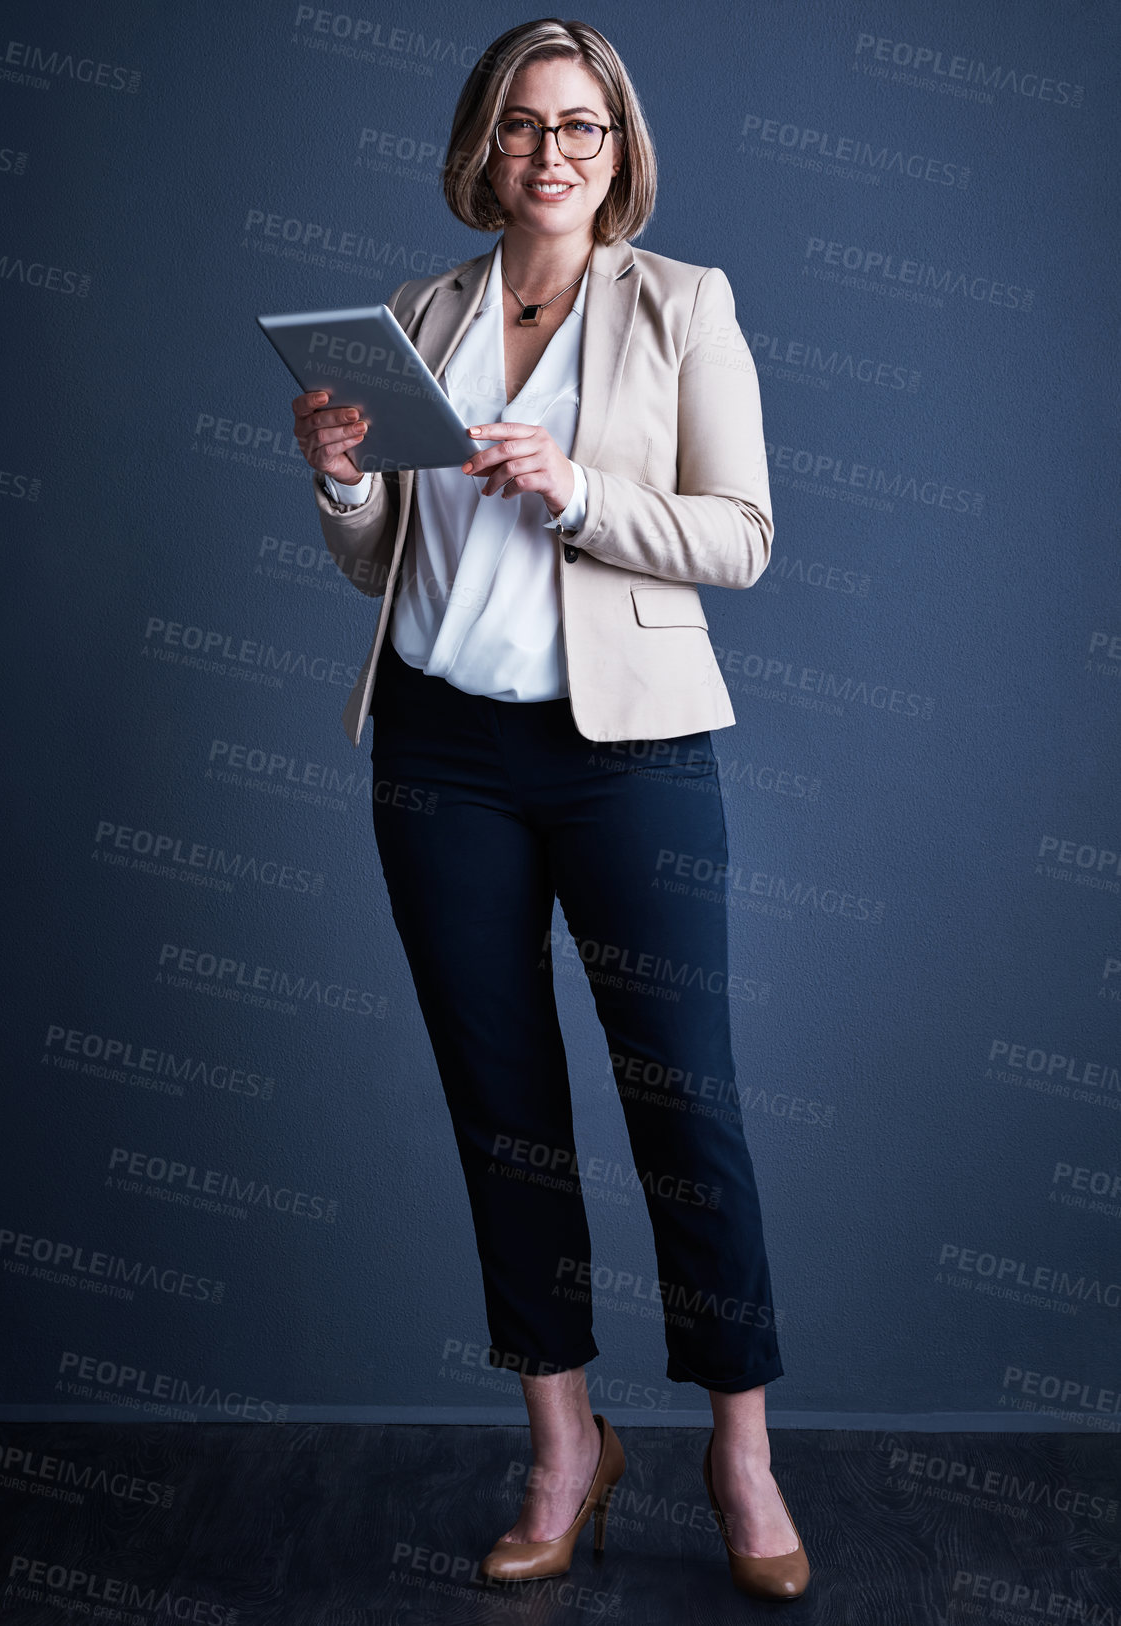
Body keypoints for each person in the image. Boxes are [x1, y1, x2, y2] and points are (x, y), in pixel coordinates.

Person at [292, 17, 809, 1603]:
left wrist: (579, 488)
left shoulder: (683, 306)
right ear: (484, 146)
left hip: (627, 756)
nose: (553, 155)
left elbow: (744, 535)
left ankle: (739, 1450)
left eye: (581, 127)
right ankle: (566, 1444)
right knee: (501, 1108)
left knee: (683, 1102)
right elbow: (391, 570)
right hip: (439, 757)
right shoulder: (412, 311)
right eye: (524, 127)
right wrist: (342, 480)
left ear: (619, 146)